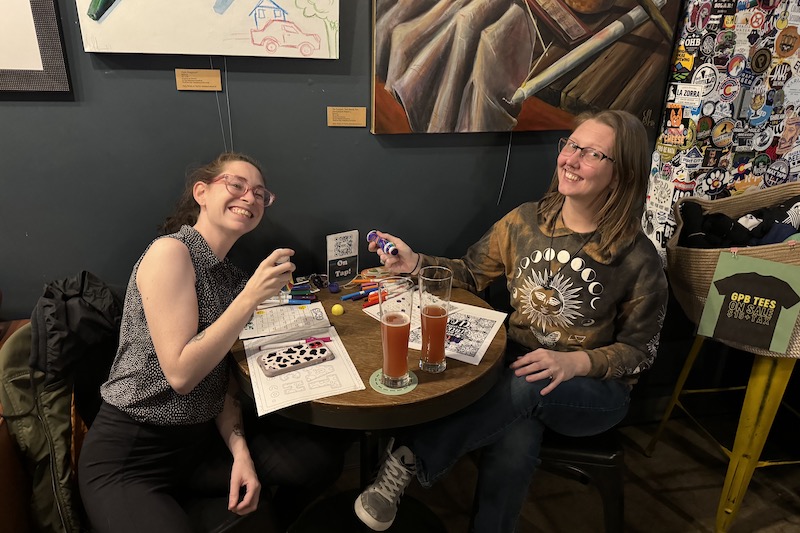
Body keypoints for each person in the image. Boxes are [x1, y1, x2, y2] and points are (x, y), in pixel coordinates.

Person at [354, 110, 668, 532]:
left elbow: (640, 352)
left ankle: (408, 456)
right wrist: (414, 263)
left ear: (622, 173)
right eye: (571, 145)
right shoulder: (524, 221)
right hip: (515, 370)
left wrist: (575, 363)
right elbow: (469, 272)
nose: (570, 160)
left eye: (591, 154)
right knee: (515, 438)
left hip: (594, 391)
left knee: (530, 385)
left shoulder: (638, 257)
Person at [78, 152, 344, 533]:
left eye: (260, 194)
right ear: (201, 192)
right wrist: (251, 297)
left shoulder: (230, 278)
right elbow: (181, 374)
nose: (250, 198)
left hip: (198, 447)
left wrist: (241, 454)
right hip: (131, 455)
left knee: (321, 460)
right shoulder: (170, 252)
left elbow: (219, 382)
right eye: (236, 185)